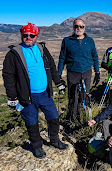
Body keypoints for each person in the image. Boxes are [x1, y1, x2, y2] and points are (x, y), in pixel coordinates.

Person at [3, 23, 68, 158]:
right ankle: (37, 146)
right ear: (21, 35)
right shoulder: (14, 54)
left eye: (32, 35)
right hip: (27, 96)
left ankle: (55, 140)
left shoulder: (42, 49)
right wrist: (12, 97)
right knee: (32, 122)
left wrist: (59, 82)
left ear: (36, 36)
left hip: (45, 93)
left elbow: (52, 67)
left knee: (54, 117)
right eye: (25, 35)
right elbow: (8, 76)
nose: (28, 37)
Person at [58, 18, 100, 121]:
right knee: (73, 97)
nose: (79, 28)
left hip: (86, 72)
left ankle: (84, 118)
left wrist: (97, 72)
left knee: (85, 96)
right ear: (73, 27)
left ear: (84, 28)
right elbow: (62, 58)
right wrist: (58, 74)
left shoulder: (89, 41)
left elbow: (95, 56)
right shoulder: (67, 41)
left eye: (81, 26)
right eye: (76, 26)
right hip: (73, 72)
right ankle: (72, 119)